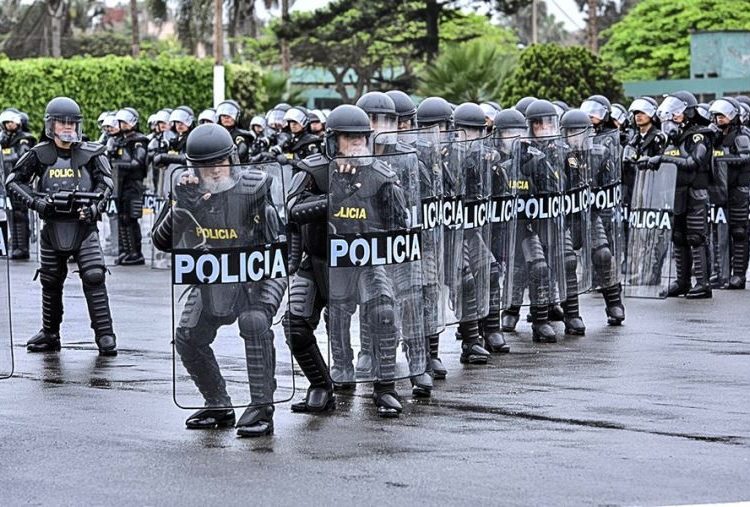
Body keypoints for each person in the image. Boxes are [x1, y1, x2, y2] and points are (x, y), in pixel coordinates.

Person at [151, 123, 286, 436]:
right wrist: (182, 207)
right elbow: (160, 242)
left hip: (259, 275)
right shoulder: (187, 191)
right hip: (216, 275)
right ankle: (218, 404)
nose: (212, 171)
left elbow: (280, 243)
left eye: (218, 163)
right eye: (203, 166)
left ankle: (262, 407)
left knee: (253, 322)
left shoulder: (255, 187)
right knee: (188, 335)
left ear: (232, 158)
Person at [5, 97, 117, 355]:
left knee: (94, 275)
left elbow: (106, 184)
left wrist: (93, 208)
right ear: (51, 125)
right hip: (52, 225)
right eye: (61, 122)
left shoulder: (92, 152)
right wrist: (37, 202)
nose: (67, 127)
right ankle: (50, 332)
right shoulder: (38, 154)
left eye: (71, 123)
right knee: (51, 279)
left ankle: (105, 333)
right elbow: (13, 181)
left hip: (84, 226)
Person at [655, 91, 713, 299]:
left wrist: (663, 159)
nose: (673, 115)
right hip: (676, 193)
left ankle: (703, 284)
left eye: (677, 111)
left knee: (696, 237)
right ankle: (682, 281)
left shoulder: (700, 135)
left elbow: (693, 163)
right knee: (678, 237)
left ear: (688, 111)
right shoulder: (675, 136)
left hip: (696, 192)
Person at [709, 97, 750, 289]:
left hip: (738, 189)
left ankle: (738, 275)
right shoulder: (715, 136)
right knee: (719, 233)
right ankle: (720, 273)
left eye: (723, 115)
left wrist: (723, 158)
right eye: (717, 116)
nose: (719, 119)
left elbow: (744, 157)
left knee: (739, 231)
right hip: (719, 189)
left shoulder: (742, 136)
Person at [109, 107, 148, 265]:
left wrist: (117, 164)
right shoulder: (119, 140)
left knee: (131, 218)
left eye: (125, 122)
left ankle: (135, 253)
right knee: (122, 218)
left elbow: (137, 162)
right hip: (120, 183)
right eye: (121, 122)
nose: (123, 125)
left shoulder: (139, 140)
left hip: (133, 183)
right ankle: (125, 251)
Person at [0, 108, 37, 259]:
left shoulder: (24, 138)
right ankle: (14, 246)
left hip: (20, 181)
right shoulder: (4, 139)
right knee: (10, 214)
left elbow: (22, 155)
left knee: (20, 214)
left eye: (11, 122)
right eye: (6, 123)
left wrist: (5, 153)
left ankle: (22, 248)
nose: (8, 125)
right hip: (6, 182)